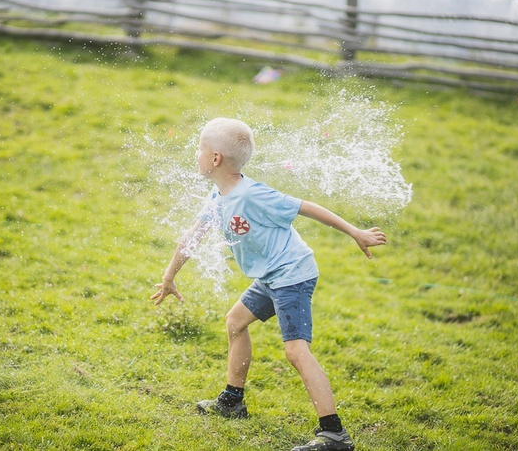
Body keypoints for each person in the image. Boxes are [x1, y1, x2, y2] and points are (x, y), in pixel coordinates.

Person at [151, 118, 387, 451]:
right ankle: (233, 402)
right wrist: (169, 276)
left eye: (200, 148)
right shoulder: (218, 196)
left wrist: (356, 233)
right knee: (235, 322)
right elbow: (193, 236)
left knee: (295, 351)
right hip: (271, 276)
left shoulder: (254, 194)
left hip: (292, 274)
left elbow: (307, 207)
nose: (197, 154)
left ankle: (334, 434)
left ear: (215, 158)